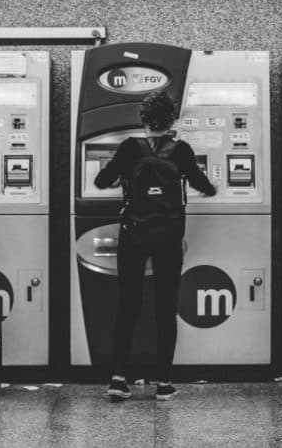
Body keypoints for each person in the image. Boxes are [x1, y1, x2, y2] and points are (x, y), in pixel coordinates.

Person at [95, 91, 216, 401]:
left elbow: (100, 181)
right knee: (165, 306)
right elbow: (205, 186)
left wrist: (120, 172)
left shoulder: (128, 149)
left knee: (127, 305)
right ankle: (163, 382)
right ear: (171, 120)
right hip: (169, 236)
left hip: (134, 233)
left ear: (144, 119)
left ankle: (118, 379)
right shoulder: (181, 151)